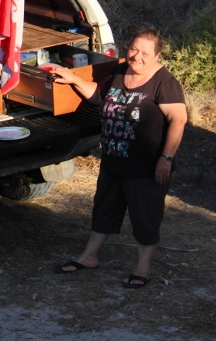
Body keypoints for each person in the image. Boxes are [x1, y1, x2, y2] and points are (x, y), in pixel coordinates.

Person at [50, 27, 187, 288]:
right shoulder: (121, 71)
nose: (137, 56)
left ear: (157, 55)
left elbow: (178, 120)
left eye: (145, 53)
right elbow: (99, 96)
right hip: (114, 159)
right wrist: (73, 78)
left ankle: (142, 268)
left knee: (144, 216)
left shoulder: (163, 82)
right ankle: (89, 256)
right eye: (133, 49)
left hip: (147, 166)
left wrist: (166, 158)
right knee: (104, 209)